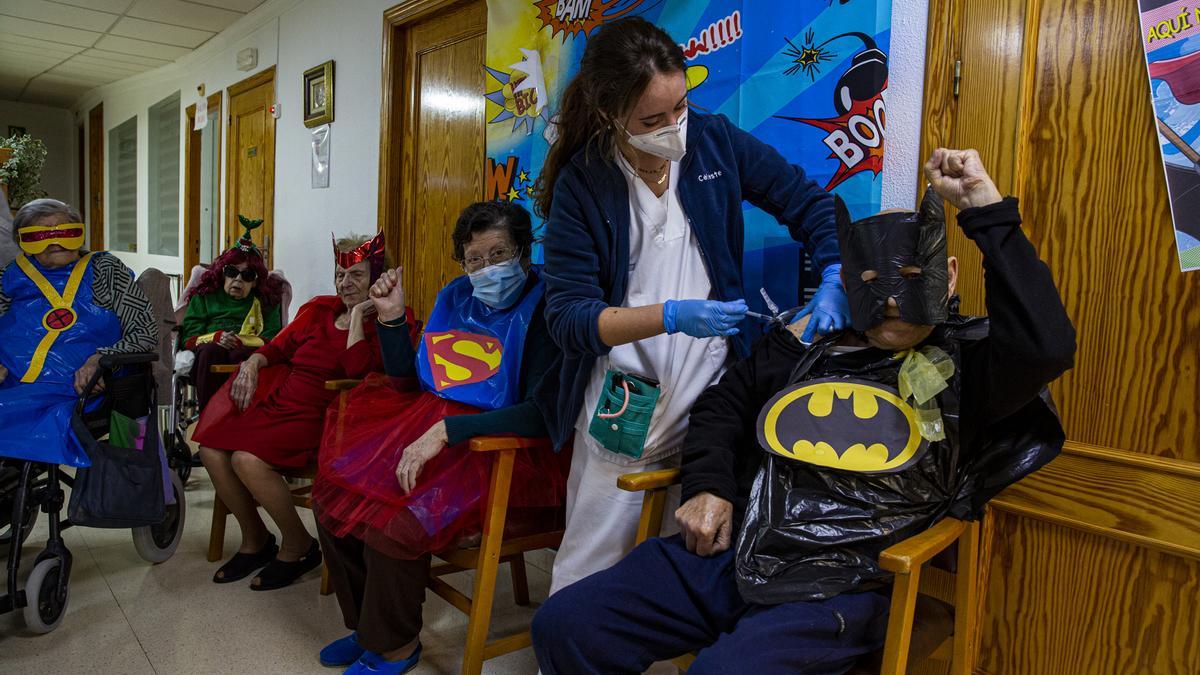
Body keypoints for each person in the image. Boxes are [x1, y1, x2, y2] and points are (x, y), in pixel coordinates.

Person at [531, 149, 1077, 673]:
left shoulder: (969, 366)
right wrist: (708, 485)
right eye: (869, 283)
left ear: (948, 275)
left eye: (910, 280)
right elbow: (725, 404)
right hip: (742, 545)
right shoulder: (812, 343)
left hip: (850, 580)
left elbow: (1046, 346)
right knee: (567, 623)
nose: (889, 301)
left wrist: (986, 208)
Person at [535, 16, 851, 594]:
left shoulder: (713, 140)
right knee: (592, 561)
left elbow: (809, 203)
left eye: (679, 106)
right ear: (609, 114)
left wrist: (835, 271)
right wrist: (671, 315)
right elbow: (570, 319)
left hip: (711, 396)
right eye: (652, 121)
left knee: (701, 558)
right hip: (627, 401)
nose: (674, 128)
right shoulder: (585, 185)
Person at [312, 202, 567, 675]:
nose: (487, 269)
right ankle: (369, 629)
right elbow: (410, 382)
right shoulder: (456, 298)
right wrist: (389, 318)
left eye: (499, 254)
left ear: (525, 253)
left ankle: (395, 646)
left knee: (396, 524)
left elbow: (541, 414)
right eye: (475, 259)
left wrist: (449, 431)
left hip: (497, 450)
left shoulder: (548, 306)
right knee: (331, 502)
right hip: (426, 428)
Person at [194, 233, 391, 591]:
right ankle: (256, 540)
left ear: (379, 277)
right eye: (339, 274)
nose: (345, 284)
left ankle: (299, 544)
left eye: (357, 275)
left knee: (246, 460)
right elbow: (277, 348)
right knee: (210, 450)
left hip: (328, 416)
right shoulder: (318, 309)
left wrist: (361, 316)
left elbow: (356, 371)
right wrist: (253, 364)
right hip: (280, 402)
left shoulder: (390, 323)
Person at [0, 198, 156, 466]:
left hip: (80, 389)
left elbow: (144, 332)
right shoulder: (10, 275)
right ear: (24, 241)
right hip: (14, 383)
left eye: (64, 230)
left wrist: (101, 359)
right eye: (41, 233)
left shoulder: (106, 269)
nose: (55, 240)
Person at [177, 221, 284, 409]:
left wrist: (242, 340)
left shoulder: (266, 301)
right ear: (222, 273)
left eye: (247, 275)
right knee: (211, 351)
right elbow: (188, 338)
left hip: (246, 352)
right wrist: (216, 337)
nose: (238, 279)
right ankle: (209, 419)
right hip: (208, 352)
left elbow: (272, 339)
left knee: (242, 355)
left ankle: (235, 419)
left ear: (256, 282)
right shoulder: (205, 296)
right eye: (231, 271)